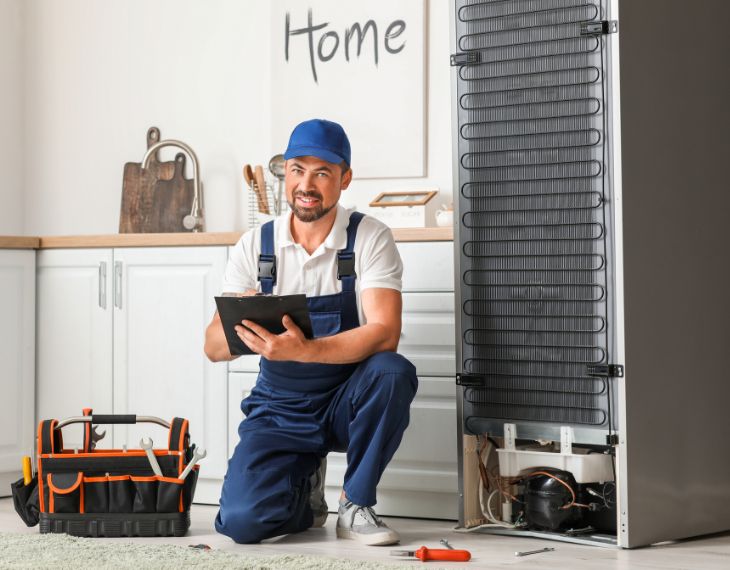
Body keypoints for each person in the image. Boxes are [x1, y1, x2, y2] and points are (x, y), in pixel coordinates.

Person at [204, 118, 418, 545]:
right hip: (279, 406)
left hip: (345, 399)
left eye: (322, 172)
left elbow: (383, 333)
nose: (307, 184)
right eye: (298, 169)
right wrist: (239, 320)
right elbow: (212, 347)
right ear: (285, 172)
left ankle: (356, 504)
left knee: (393, 370)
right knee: (242, 524)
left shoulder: (368, 237)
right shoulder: (256, 246)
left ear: (344, 179)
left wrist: (304, 349)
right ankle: (306, 495)